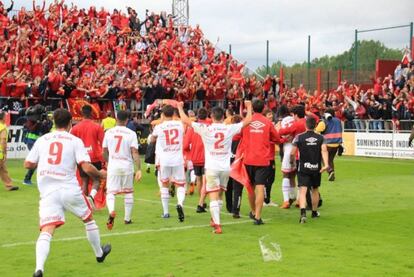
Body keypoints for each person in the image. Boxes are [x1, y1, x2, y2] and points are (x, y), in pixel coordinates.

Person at [24, 109, 111, 277]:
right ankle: (99, 254)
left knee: (47, 229)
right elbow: (86, 166)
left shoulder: (43, 140)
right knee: (88, 219)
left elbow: (28, 164)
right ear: (70, 122)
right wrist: (100, 175)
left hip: (48, 191)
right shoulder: (74, 141)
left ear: (55, 123)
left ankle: (39, 268)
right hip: (68, 188)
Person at [178, 101, 252, 233]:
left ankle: (217, 225)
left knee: (212, 195)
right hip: (225, 168)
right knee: (220, 193)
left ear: (211, 117)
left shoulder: (206, 128)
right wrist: (249, 106)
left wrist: (179, 106)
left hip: (212, 167)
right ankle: (214, 219)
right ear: (223, 117)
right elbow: (248, 120)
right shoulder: (229, 128)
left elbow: (185, 120)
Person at [241, 99, 280, 225]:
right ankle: (258, 216)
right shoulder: (267, 122)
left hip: (248, 159)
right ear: (264, 108)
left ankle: (253, 211)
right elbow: (276, 138)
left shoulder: (246, 121)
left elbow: (237, 135)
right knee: (260, 188)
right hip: (263, 159)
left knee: (250, 189)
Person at [103, 110, 141, 229]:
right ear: (127, 120)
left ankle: (112, 211)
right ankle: (127, 219)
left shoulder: (108, 132)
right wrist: (139, 168)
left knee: (110, 192)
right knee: (128, 192)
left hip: (113, 165)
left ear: (116, 118)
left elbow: (104, 151)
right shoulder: (131, 133)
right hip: (127, 166)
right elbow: (134, 152)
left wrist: (109, 162)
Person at [290, 116, 329, 224]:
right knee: (315, 189)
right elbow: (324, 150)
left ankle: (303, 213)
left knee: (303, 190)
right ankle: (314, 212)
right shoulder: (321, 138)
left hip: (303, 167)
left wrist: (292, 162)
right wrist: (326, 164)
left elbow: (292, 153)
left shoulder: (299, 137)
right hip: (316, 168)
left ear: (305, 125)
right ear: (316, 125)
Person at [151, 105, 186, 222]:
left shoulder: (159, 127)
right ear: (173, 114)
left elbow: (152, 139)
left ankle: (166, 212)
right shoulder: (180, 124)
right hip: (178, 158)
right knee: (180, 185)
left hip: (164, 159)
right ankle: (180, 204)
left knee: (164, 184)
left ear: (163, 114)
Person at [71, 105, 105, 204]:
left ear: (82, 113)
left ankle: (84, 203)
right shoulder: (97, 126)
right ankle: (91, 197)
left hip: (81, 158)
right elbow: (103, 144)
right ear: (91, 113)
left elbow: (71, 144)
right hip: (94, 157)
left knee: (84, 181)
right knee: (97, 179)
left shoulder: (75, 128)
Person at [183, 108, 210, 213]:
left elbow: (185, 145)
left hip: (195, 157)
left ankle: (201, 201)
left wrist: (190, 153)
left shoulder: (192, 128)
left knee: (199, 180)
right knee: (205, 181)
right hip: (206, 157)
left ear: (198, 116)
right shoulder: (209, 127)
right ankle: (201, 202)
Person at [277, 105, 297, 208]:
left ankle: (286, 201)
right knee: (293, 175)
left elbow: (280, 135)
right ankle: (295, 198)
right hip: (298, 148)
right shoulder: (294, 119)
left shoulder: (282, 122)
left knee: (286, 174)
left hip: (288, 148)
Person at [316, 108, 343, 181]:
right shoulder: (338, 121)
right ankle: (332, 174)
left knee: (323, 159)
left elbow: (317, 131)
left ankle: (330, 171)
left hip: (327, 144)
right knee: (330, 160)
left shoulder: (324, 122)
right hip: (336, 144)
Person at [0, 111, 18, 191]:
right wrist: (4, 153)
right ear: (3, 117)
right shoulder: (3, 128)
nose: (6, 117)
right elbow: (3, 141)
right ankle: (9, 185)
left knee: (3, 169)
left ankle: (9, 185)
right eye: (5, 116)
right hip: (0, 152)